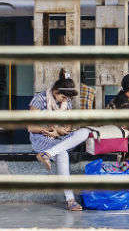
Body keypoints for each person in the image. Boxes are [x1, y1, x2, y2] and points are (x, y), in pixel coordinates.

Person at [28, 69, 88, 212]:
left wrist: (63, 129)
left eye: (68, 98)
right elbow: (31, 127)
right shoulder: (40, 99)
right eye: (63, 96)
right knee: (62, 153)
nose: (65, 100)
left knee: (85, 132)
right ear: (55, 91)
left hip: (60, 138)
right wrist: (49, 129)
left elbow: (68, 124)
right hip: (41, 137)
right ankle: (70, 200)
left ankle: (47, 154)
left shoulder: (66, 102)